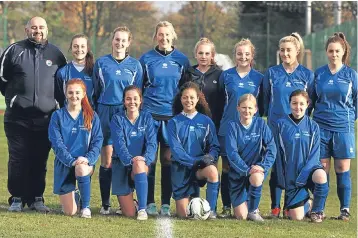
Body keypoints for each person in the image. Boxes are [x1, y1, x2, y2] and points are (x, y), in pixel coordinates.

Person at [0, 16, 67, 212]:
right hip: (17, 118)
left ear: (47, 30)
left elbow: (62, 83)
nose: (38, 30)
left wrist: (52, 104)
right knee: (18, 158)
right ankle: (17, 198)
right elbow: (2, 78)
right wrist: (15, 98)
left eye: (42, 27)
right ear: (26, 29)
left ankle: (37, 197)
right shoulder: (14, 51)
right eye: (34, 27)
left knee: (39, 159)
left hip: (46, 119)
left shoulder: (57, 54)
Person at [139, 21, 190, 216]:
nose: (164, 38)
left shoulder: (181, 60)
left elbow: (186, 90)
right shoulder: (146, 59)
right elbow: (139, 87)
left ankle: (166, 203)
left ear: (173, 36)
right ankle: (150, 202)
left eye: (167, 34)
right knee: (150, 160)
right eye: (160, 34)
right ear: (156, 36)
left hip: (172, 118)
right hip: (151, 116)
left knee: (168, 160)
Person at [262, 32, 314, 218]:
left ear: (297, 50)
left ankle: (293, 204)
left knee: (296, 166)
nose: (285, 53)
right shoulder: (271, 73)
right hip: (275, 127)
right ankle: (275, 207)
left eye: (289, 50)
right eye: (282, 50)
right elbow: (265, 100)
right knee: (277, 166)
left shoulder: (307, 75)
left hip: (298, 129)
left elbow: (311, 102)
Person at [93, 26, 143, 215]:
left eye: (123, 40)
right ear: (112, 41)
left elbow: (137, 94)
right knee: (107, 160)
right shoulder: (101, 63)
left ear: (128, 43)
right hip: (105, 111)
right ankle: (106, 204)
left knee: (128, 157)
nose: (119, 43)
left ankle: (131, 201)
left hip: (126, 114)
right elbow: (96, 90)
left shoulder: (135, 66)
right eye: (116, 39)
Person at [310, 32, 357, 221]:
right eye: (331, 51)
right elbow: (311, 100)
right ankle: (319, 210)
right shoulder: (319, 74)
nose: (334, 54)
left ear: (343, 51)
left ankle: (344, 210)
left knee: (342, 168)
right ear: (326, 52)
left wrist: (348, 119)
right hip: (321, 127)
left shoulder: (351, 75)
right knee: (322, 168)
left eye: (337, 51)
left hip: (343, 128)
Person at [217, 39, 264, 217]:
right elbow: (221, 102)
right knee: (228, 168)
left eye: (246, 54)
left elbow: (263, 105)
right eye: (239, 53)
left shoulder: (259, 78)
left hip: (250, 131)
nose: (243, 57)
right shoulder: (226, 76)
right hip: (228, 129)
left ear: (252, 56)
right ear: (235, 55)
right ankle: (227, 206)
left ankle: (250, 205)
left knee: (249, 166)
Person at [49, 79, 103, 218]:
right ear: (66, 94)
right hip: (65, 163)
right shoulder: (57, 116)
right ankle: (76, 194)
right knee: (70, 212)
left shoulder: (91, 116)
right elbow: (56, 143)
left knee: (81, 168)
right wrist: (71, 161)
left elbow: (97, 142)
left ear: (84, 94)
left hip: (84, 163)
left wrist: (87, 159)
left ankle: (86, 208)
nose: (74, 96)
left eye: (77, 92)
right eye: (70, 92)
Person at [167, 82, 220, 218]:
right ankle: (191, 201)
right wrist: (195, 161)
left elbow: (214, 146)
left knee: (213, 171)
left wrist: (210, 157)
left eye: (191, 97)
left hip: (200, 168)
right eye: (185, 97)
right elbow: (177, 151)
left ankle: (211, 210)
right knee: (184, 215)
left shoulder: (206, 121)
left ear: (197, 99)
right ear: (180, 99)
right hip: (181, 169)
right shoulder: (174, 122)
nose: (188, 100)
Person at [274, 90, 329, 223]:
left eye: (301, 104)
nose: (297, 107)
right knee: (296, 217)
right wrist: (282, 179)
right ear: (289, 104)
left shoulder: (313, 126)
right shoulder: (281, 124)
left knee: (321, 175)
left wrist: (303, 176)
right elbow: (278, 155)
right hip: (291, 177)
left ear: (307, 104)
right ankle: (308, 203)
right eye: (294, 103)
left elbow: (315, 155)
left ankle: (317, 211)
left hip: (309, 171)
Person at [225, 94, 276, 222]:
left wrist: (262, 167)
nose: (246, 111)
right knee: (241, 216)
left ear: (255, 109)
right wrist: (247, 170)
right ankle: (246, 203)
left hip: (255, 172)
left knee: (257, 176)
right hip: (238, 176)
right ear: (238, 108)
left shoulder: (261, 124)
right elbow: (232, 154)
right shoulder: (232, 126)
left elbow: (271, 148)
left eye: (249, 108)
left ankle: (253, 210)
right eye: (243, 107)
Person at [110, 85, 157, 220]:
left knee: (139, 164)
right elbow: (119, 145)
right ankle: (134, 204)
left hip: (140, 165)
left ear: (141, 100)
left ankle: (142, 209)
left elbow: (152, 143)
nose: (132, 102)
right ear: (124, 101)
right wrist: (130, 160)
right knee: (129, 213)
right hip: (121, 163)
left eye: (135, 98)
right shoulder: (117, 119)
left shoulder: (146, 117)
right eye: (128, 99)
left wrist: (144, 159)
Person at [55, 34, 95, 107]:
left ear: (87, 49)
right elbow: (60, 97)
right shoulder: (62, 72)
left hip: (90, 115)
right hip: (69, 116)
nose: (79, 50)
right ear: (71, 48)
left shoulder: (95, 70)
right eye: (75, 46)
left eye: (82, 46)